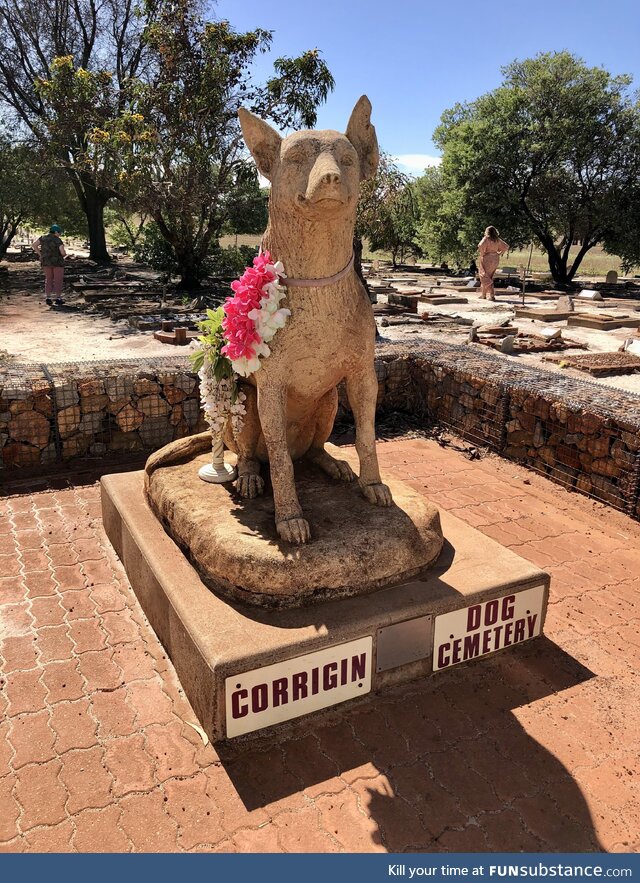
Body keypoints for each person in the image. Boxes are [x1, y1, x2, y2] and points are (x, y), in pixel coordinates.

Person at [32, 224, 67, 306]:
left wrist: (41, 254)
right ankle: (58, 298)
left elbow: (34, 245)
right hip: (57, 263)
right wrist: (64, 255)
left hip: (46, 262)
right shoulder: (58, 240)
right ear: (55, 232)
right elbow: (62, 253)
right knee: (58, 280)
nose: (59, 234)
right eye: (59, 232)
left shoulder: (43, 238)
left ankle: (48, 297)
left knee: (48, 279)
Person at [477, 226, 509, 300]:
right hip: (495, 258)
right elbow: (506, 246)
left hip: (487, 258)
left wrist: (482, 253)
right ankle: (483, 295)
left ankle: (492, 294)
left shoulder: (486, 239)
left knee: (484, 276)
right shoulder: (497, 239)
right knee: (488, 276)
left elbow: (480, 245)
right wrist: (499, 253)